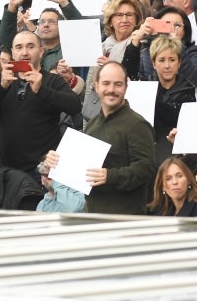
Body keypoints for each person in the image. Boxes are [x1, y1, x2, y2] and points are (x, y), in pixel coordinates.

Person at [44, 62, 156, 214]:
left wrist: (110, 176)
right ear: (96, 87)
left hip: (125, 219)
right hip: (93, 215)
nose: (111, 90)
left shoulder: (137, 124)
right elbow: (78, 171)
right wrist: (55, 163)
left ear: (126, 87)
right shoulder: (91, 125)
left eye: (118, 84)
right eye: (106, 83)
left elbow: (146, 168)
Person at [0, 31, 81, 179]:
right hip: (7, 171)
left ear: (41, 52)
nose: (24, 52)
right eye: (19, 47)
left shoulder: (53, 80)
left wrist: (41, 90)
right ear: (13, 53)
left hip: (41, 171)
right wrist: (2, 88)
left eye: (30, 47)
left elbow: (74, 106)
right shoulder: (2, 79)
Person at [123, 6, 197, 85]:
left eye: (177, 25)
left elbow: (196, 79)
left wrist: (177, 47)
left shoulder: (196, 51)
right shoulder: (146, 51)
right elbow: (127, 76)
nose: (171, 29)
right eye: (166, 25)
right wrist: (135, 42)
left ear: (185, 30)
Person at [150, 35, 197, 163]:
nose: (167, 66)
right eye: (161, 60)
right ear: (153, 63)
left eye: (172, 60)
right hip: (150, 147)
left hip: (176, 151)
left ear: (179, 63)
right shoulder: (146, 88)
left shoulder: (188, 90)